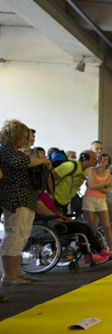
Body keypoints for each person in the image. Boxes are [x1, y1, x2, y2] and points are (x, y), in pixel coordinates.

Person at [0, 120, 52, 286]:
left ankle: (17, 272)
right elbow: (22, 162)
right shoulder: (6, 150)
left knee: (21, 236)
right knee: (14, 235)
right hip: (15, 197)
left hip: (26, 197)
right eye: (24, 135)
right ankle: (9, 274)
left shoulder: (14, 151)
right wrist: (43, 161)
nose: (27, 138)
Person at [82, 152, 112, 255]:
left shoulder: (108, 174)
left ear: (108, 162)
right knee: (92, 226)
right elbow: (91, 186)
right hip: (89, 199)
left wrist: (98, 186)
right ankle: (94, 250)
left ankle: (111, 249)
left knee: (107, 225)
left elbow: (107, 191)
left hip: (101, 200)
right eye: (100, 159)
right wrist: (105, 184)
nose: (102, 161)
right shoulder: (92, 171)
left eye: (105, 160)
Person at [91, 140, 112, 233]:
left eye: (101, 148)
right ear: (92, 149)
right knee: (94, 222)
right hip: (94, 197)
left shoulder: (108, 162)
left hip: (109, 196)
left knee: (110, 221)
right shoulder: (90, 163)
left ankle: (108, 243)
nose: (99, 150)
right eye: (97, 148)